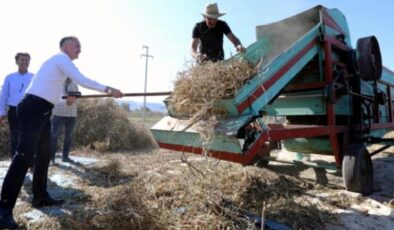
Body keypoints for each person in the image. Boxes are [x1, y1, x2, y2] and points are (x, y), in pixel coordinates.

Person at [0, 36, 123, 229]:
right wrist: (108, 89)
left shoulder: (57, 65)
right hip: (32, 107)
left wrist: (68, 97)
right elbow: (81, 79)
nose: (80, 50)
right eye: (77, 46)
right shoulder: (60, 58)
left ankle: (40, 196)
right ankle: (4, 211)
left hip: (42, 109)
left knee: (44, 154)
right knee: (23, 157)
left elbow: (52, 91)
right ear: (65, 46)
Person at [0, 53, 34, 157]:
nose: (24, 62)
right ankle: (14, 161)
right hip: (13, 110)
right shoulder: (10, 77)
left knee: (29, 136)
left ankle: (29, 161)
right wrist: (1, 112)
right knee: (14, 136)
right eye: (22, 60)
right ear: (16, 62)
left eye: (26, 60)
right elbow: (4, 95)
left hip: (29, 110)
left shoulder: (34, 77)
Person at [51, 78, 79, 164]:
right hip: (58, 112)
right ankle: (51, 158)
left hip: (71, 114)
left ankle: (65, 157)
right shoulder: (56, 83)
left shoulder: (74, 84)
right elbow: (52, 97)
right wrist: (66, 101)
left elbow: (76, 96)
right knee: (53, 136)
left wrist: (73, 99)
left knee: (68, 137)